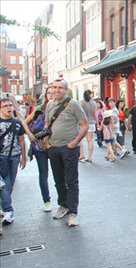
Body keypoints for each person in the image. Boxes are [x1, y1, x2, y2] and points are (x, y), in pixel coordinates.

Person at [44, 78, 88, 227]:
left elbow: (84, 125)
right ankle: (63, 205)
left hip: (69, 148)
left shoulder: (73, 104)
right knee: (58, 180)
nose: (56, 90)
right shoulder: (49, 105)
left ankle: (73, 212)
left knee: (71, 181)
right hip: (53, 148)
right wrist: (47, 143)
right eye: (54, 87)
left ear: (65, 89)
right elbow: (46, 124)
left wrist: (75, 142)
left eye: (60, 88)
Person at [23, 86, 53, 212]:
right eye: (49, 93)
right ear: (45, 95)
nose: (51, 95)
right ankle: (46, 201)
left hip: (54, 145)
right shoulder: (40, 109)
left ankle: (64, 201)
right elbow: (24, 122)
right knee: (43, 174)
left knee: (60, 174)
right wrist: (30, 136)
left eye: (53, 92)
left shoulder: (62, 108)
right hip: (39, 146)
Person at [0, 97, 27, 225]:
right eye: (5, 106)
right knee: (6, 184)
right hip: (2, 157)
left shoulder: (17, 123)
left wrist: (24, 157)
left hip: (15, 156)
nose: (8, 108)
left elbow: (21, 140)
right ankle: (8, 210)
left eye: (10, 105)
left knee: (10, 183)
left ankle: (4, 207)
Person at [79, 90, 97, 163]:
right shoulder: (94, 103)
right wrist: (98, 123)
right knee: (90, 140)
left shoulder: (81, 103)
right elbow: (95, 114)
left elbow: (79, 113)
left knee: (79, 139)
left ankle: (82, 155)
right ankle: (90, 157)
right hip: (91, 122)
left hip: (83, 123)